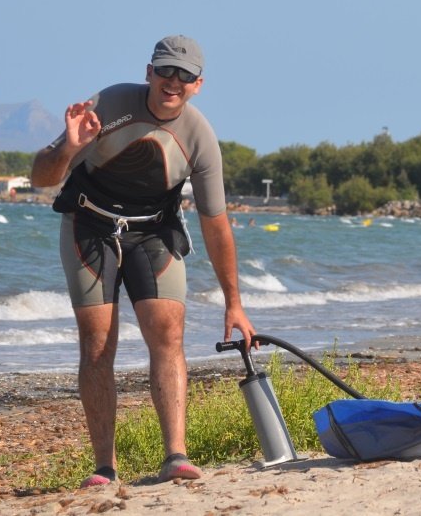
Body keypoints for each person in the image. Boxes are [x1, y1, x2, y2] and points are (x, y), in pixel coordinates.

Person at [30, 35, 255, 488]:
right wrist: (70, 148)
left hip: (153, 231)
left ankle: (176, 456)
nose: (173, 82)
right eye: (165, 71)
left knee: (167, 332)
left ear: (198, 84)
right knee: (97, 343)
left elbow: (216, 224)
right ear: (149, 72)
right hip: (89, 227)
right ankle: (105, 468)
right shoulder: (110, 103)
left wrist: (234, 302)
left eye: (184, 75)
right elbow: (40, 178)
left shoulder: (199, 138)